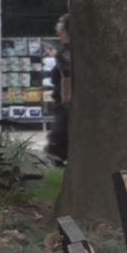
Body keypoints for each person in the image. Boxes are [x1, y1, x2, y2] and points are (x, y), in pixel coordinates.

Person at [45, 13, 72, 163]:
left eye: (61, 30)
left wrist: (66, 100)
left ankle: (58, 153)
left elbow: (67, 77)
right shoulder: (64, 52)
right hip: (62, 99)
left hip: (65, 100)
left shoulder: (66, 53)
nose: (58, 34)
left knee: (61, 129)